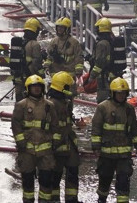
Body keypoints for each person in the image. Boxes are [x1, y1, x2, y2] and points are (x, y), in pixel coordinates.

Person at [91, 77, 137, 203]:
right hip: (106, 154)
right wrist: (96, 146)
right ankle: (102, 199)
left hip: (124, 155)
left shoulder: (129, 109)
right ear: (113, 93)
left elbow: (134, 129)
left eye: (123, 93)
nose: (121, 96)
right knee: (105, 179)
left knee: (124, 180)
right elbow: (96, 127)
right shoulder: (103, 107)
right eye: (118, 93)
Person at [12, 75, 58, 203]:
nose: (36, 89)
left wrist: (54, 142)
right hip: (27, 150)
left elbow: (55, 126)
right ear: (28, 89)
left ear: (42, 88)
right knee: (27, 181)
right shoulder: (21, 105)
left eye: (39, 86)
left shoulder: (49, 106)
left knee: (46, 180)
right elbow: (15, 125)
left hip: (46, 151)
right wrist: (20, 142)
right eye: (34, 87)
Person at [48, 72, 80, 203]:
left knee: (73, 170)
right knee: (56, 174)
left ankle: (71, 199)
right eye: (69, 87)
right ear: (62, 88)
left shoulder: (64, 102)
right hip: (57, 145)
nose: (71, 90)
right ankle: (55, 199)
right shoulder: (51, 104)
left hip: (68, 142)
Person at [44, 17, 84, 89]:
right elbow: (49, 57)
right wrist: (46, 66)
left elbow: (79, 58)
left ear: (67, 29)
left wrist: (79, 71)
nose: (59, 29)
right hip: (55, 74)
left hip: (68, 74)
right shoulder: (54, 41)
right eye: (58, 27)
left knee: (68, 95)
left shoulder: (74, 42)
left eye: (62, 28)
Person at [12, 17, 46, 101]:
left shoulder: (20, 42)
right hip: (30, 78)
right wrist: (42, 75)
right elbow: (37, 63)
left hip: (18, 77)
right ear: (36, 30)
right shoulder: (34, 44)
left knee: (19, 102)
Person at [90, 18, 114, 103]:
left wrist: (92, 75)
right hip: (111, 73)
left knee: (103, 100)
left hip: (103, 75)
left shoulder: (101, 44)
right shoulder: (110, 40)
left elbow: (99, 62)